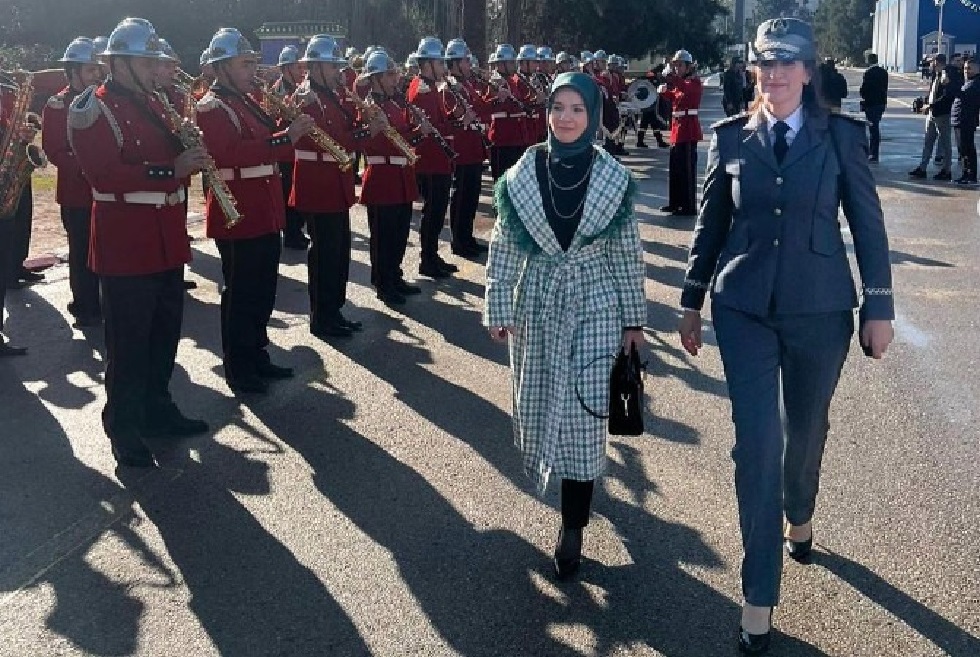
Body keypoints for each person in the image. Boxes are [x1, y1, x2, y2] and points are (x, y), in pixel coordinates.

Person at [677, 18, 895, 654]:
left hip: (821, 311)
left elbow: (869, 227)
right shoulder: (731, 139)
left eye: (786, 64)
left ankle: (801, 510)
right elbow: (711, 223)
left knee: (804, 434)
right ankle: (758, 596)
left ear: (808, 71)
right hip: (743, 309)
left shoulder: (841, 140)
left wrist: (877, 307)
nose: (773, 76)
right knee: (757, 445)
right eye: (763, 66)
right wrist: (691, 301)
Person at [483, 72, 645, 581]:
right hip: (540, 304)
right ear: (547, 113)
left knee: (585, 416)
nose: (567, 118)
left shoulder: (613, 179)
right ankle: (562, 491)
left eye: (578, 108)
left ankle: (572, 524)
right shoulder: (521, 176)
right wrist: (498, 306)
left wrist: (634, 320)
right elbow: (504, 246)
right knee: (539, 404)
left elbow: (627, 254)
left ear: (594, 115)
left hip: (597, 304)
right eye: (558, 107)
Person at [69, 18, 211, 467]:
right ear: (121, 63)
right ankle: (124, 426)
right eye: (148, 61)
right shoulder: (93, 108)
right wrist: (174, 167)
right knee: (128, 344)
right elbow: (105, 175)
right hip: (125, 242)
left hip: (165, 236)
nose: (156, 69)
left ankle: (157, 407)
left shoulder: (158, 102)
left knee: (164, 335)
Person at [196, 28, 313, 394]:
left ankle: (257, 354)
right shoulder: (211, 106)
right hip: (238, 209)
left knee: (263, 289)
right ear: (222, 67)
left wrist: (289, 127)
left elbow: (266, 144)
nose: (253, 70)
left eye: (252, 63)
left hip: (264, 206)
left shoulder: (248, 100)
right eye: (244, 64)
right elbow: (229, 153)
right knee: (241, 292)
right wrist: (285, 136)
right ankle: (239, 365)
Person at [289, 35, 371, 337]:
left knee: (339, 252)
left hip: (335, 183)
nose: (339, 71)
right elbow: (331, 140)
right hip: (317, 184)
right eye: (332, 66)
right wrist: (364, 135)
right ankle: (321, 317)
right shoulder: (306, 97)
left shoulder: (334, 94)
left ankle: (334, 310)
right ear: (317, 67)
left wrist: (364, 123)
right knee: (324, 254)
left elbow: (345, 130)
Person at [42, 37, 104, 329]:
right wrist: (91, 166)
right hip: (76, 192)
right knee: (81, 253)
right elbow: (55, 150)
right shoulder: (57, 104)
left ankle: (103, 301)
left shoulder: (103, 99)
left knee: (105, 248)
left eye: (97, 69)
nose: (97, 75)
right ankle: (85, 306)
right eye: (90, 70)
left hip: (105, 191)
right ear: (73, 71)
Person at [357, 50, 424, 306]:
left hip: (401, 174)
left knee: (399, 232)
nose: (396, 78)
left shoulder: (396, 103)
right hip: (382, 175)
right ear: (376, 78)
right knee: (383, 236)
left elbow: (403, 135)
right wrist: (416, 136)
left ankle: (394, 276)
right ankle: (383, 282)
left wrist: (419, 132)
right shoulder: (369, 107)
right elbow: (381, 143)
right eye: (390, 74)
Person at [406, 37, 460, 279]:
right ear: (427, 63)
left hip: (439, 158)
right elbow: (427, 127)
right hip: (430, 159)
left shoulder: (432, 85)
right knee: (433, 211)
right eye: (440, 62)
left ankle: (432, 254)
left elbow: (439, 119)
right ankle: (427, 259)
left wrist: (455, 116)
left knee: (438, 211)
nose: (444, 67)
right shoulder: (421, 89)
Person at [444, 38, 491, 258]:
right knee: (461, 196)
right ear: (454, 62)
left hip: (473, 146)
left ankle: (468, 236)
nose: (469, 63)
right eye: (464, 60)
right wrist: (463, 117)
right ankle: (458, 240)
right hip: (461, 147)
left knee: (472, 195)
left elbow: (481, 107)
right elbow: (449, 118)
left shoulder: (467, 83)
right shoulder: (448, 86)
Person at [0, 68, 42, 289]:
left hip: (12, 162)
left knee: (21, 217)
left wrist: (24, 136)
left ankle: (15, 266)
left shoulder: (7, 87)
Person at [272, 45, 311, 250]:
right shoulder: (279, 90)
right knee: (288, 195)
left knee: (295, 196)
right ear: (286, 68)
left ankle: (296, 231)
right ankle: (291, 234)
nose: (301, 71)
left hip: (295, 149)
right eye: (297, 67)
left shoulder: (298, 87)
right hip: (286, 153)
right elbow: (274, 123)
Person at [658, 49, 703, 216]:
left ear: (688, 67)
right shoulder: (682, 83)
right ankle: (675, 203)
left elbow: (686, 90)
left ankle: (689, 206)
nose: (677, 69)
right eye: (676, 66)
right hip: (678, 130)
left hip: (689, 131)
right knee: (675, 169)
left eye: (679, 65)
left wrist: (671, 75)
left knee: (687, 171)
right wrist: (664, 92)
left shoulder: (694, 82)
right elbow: (676, 97)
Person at [484, 44, 530, 182]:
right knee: (501, 183)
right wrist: (498, 98)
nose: (513, 65)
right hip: (502, 139)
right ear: (502, 64)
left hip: (516, 138)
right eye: (510, 62)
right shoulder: (495, 82)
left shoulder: (512, 81)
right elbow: (486, 106)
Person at [909, 54, 954, 180]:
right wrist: (924, 102)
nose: (930, 65)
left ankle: (947, 170)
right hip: (932, 113)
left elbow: (946, 96)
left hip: (942, 113)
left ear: (937, 62)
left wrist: (931, 106)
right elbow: (932, 93)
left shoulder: (946, 75)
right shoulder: (936, 75)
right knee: (928, 142)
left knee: (945, 143)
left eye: (931, 63)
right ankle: (922, 168)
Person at [952, 58, 980, 185]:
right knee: (964, 149)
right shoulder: (969, 82)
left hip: (966, 120)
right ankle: (967, 174)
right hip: (961, 120)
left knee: (966, 149)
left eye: (969, 68)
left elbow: (964, 97)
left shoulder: (975, 83)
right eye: (964, 68)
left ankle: (970, 175)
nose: (966, 71)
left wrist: (950, 84)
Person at [859, 53, 888, 162]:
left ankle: (873, 153)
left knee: (873, 128)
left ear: (869, 60)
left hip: (871, 103)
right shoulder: (883, 72)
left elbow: (865, 89)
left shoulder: (868, 73)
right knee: (875, 126)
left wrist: (862, 94)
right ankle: (873, 152)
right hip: (881, 102)